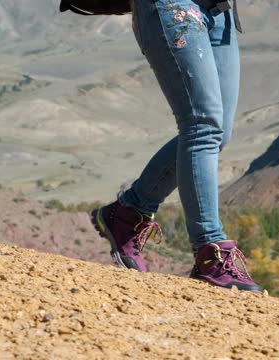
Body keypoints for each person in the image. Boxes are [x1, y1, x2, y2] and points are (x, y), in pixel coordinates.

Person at [91, 0, 262, 293]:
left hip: (220, 12)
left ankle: (128, 214)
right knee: (202, 126)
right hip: (171, 5)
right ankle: (210, 250)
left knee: (217, 134)